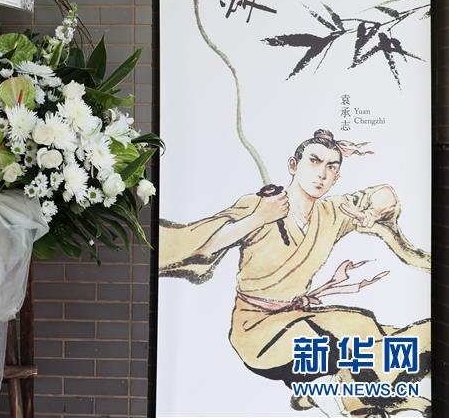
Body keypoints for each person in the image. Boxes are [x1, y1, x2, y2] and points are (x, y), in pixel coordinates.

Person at [160, 129, 431, 417]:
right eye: (314, 161)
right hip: (257, 329)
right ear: (293, 165)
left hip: (297, 315)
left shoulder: (333, 212)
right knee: (331, 342)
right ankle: (336, 397)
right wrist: (258, 218)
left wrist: (372, 213)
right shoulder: (259, 205)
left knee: (366, 326)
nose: (322, 174)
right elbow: (205, 243)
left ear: (337, 177)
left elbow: (384, 194)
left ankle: (356, 399)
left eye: (331, 167)